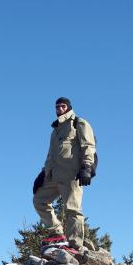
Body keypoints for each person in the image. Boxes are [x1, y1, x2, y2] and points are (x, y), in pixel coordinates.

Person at [33, 97, 96, 254]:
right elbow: (51, 155)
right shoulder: (55, 131)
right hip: (53, 176)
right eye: (57, 107)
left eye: (63, 106)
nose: (59, 109)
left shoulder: (78, 123)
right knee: (39, 200)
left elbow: (88, 145)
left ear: (68, 107)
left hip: (71, 175)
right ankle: (57, 233)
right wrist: (43, 173)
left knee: (72, 209)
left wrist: (87, 166)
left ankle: (75, 244)